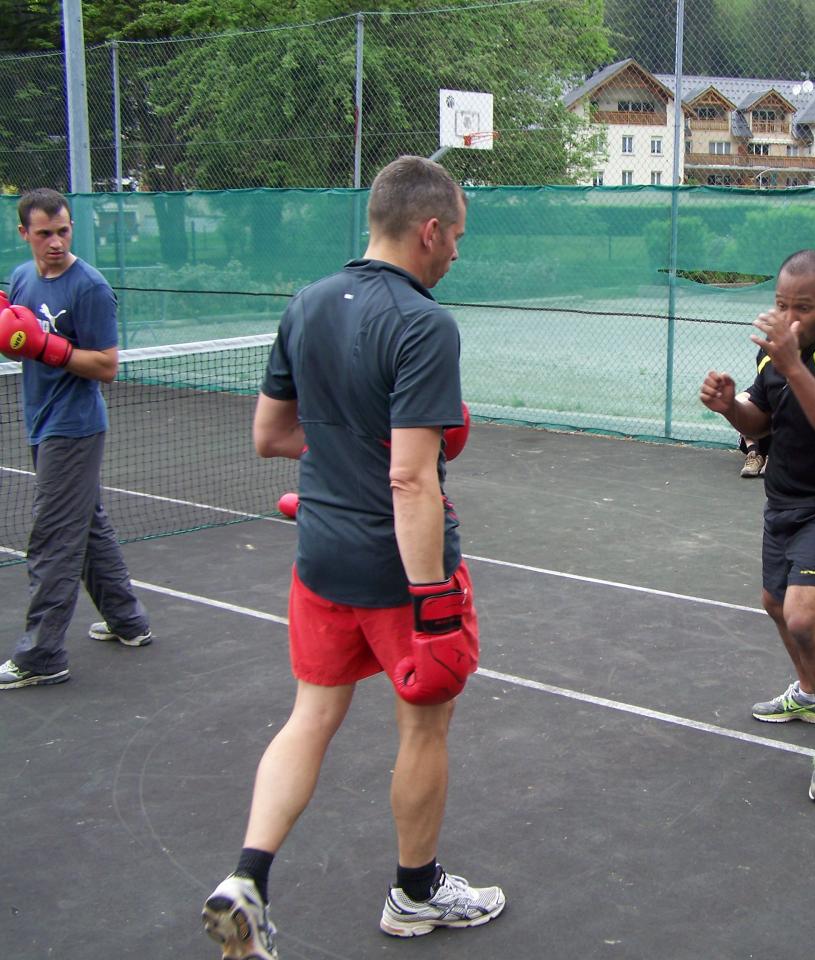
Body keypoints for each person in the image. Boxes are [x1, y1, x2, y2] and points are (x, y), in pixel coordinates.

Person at [201, 156, 504, 960]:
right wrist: (434, 597)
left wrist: (347, 453)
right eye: (457, 239)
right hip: (394, 571)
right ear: (429, 229)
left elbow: (271, 436)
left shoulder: (305, 305)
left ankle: (248, 877)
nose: (456, 256)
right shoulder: (422, 322)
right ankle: (414, 893)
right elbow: (411, 477)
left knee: (312, 716)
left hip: (320, 560)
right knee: (424, 726)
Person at [700, 249, 815, 803]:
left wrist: (793, 362)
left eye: (802, 307)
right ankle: (805, 692)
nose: (789, 317)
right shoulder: (773, 355)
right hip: (784, 499)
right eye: (781, 305)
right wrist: (731, 408)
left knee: (804, 617)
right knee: (775, 604)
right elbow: (763, 419)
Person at [0, 189, 151, 692]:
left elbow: (106, 366)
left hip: (75, 426)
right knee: (87, 527)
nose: (56, 242)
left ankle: (42, 654)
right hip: (39, 421)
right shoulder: (22, 278)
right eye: (44, 233)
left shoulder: (89, 288)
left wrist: (47, 346)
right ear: (24, 234)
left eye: (63, 230)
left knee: (53, 540)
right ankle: (128, 621)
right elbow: (17, 339)